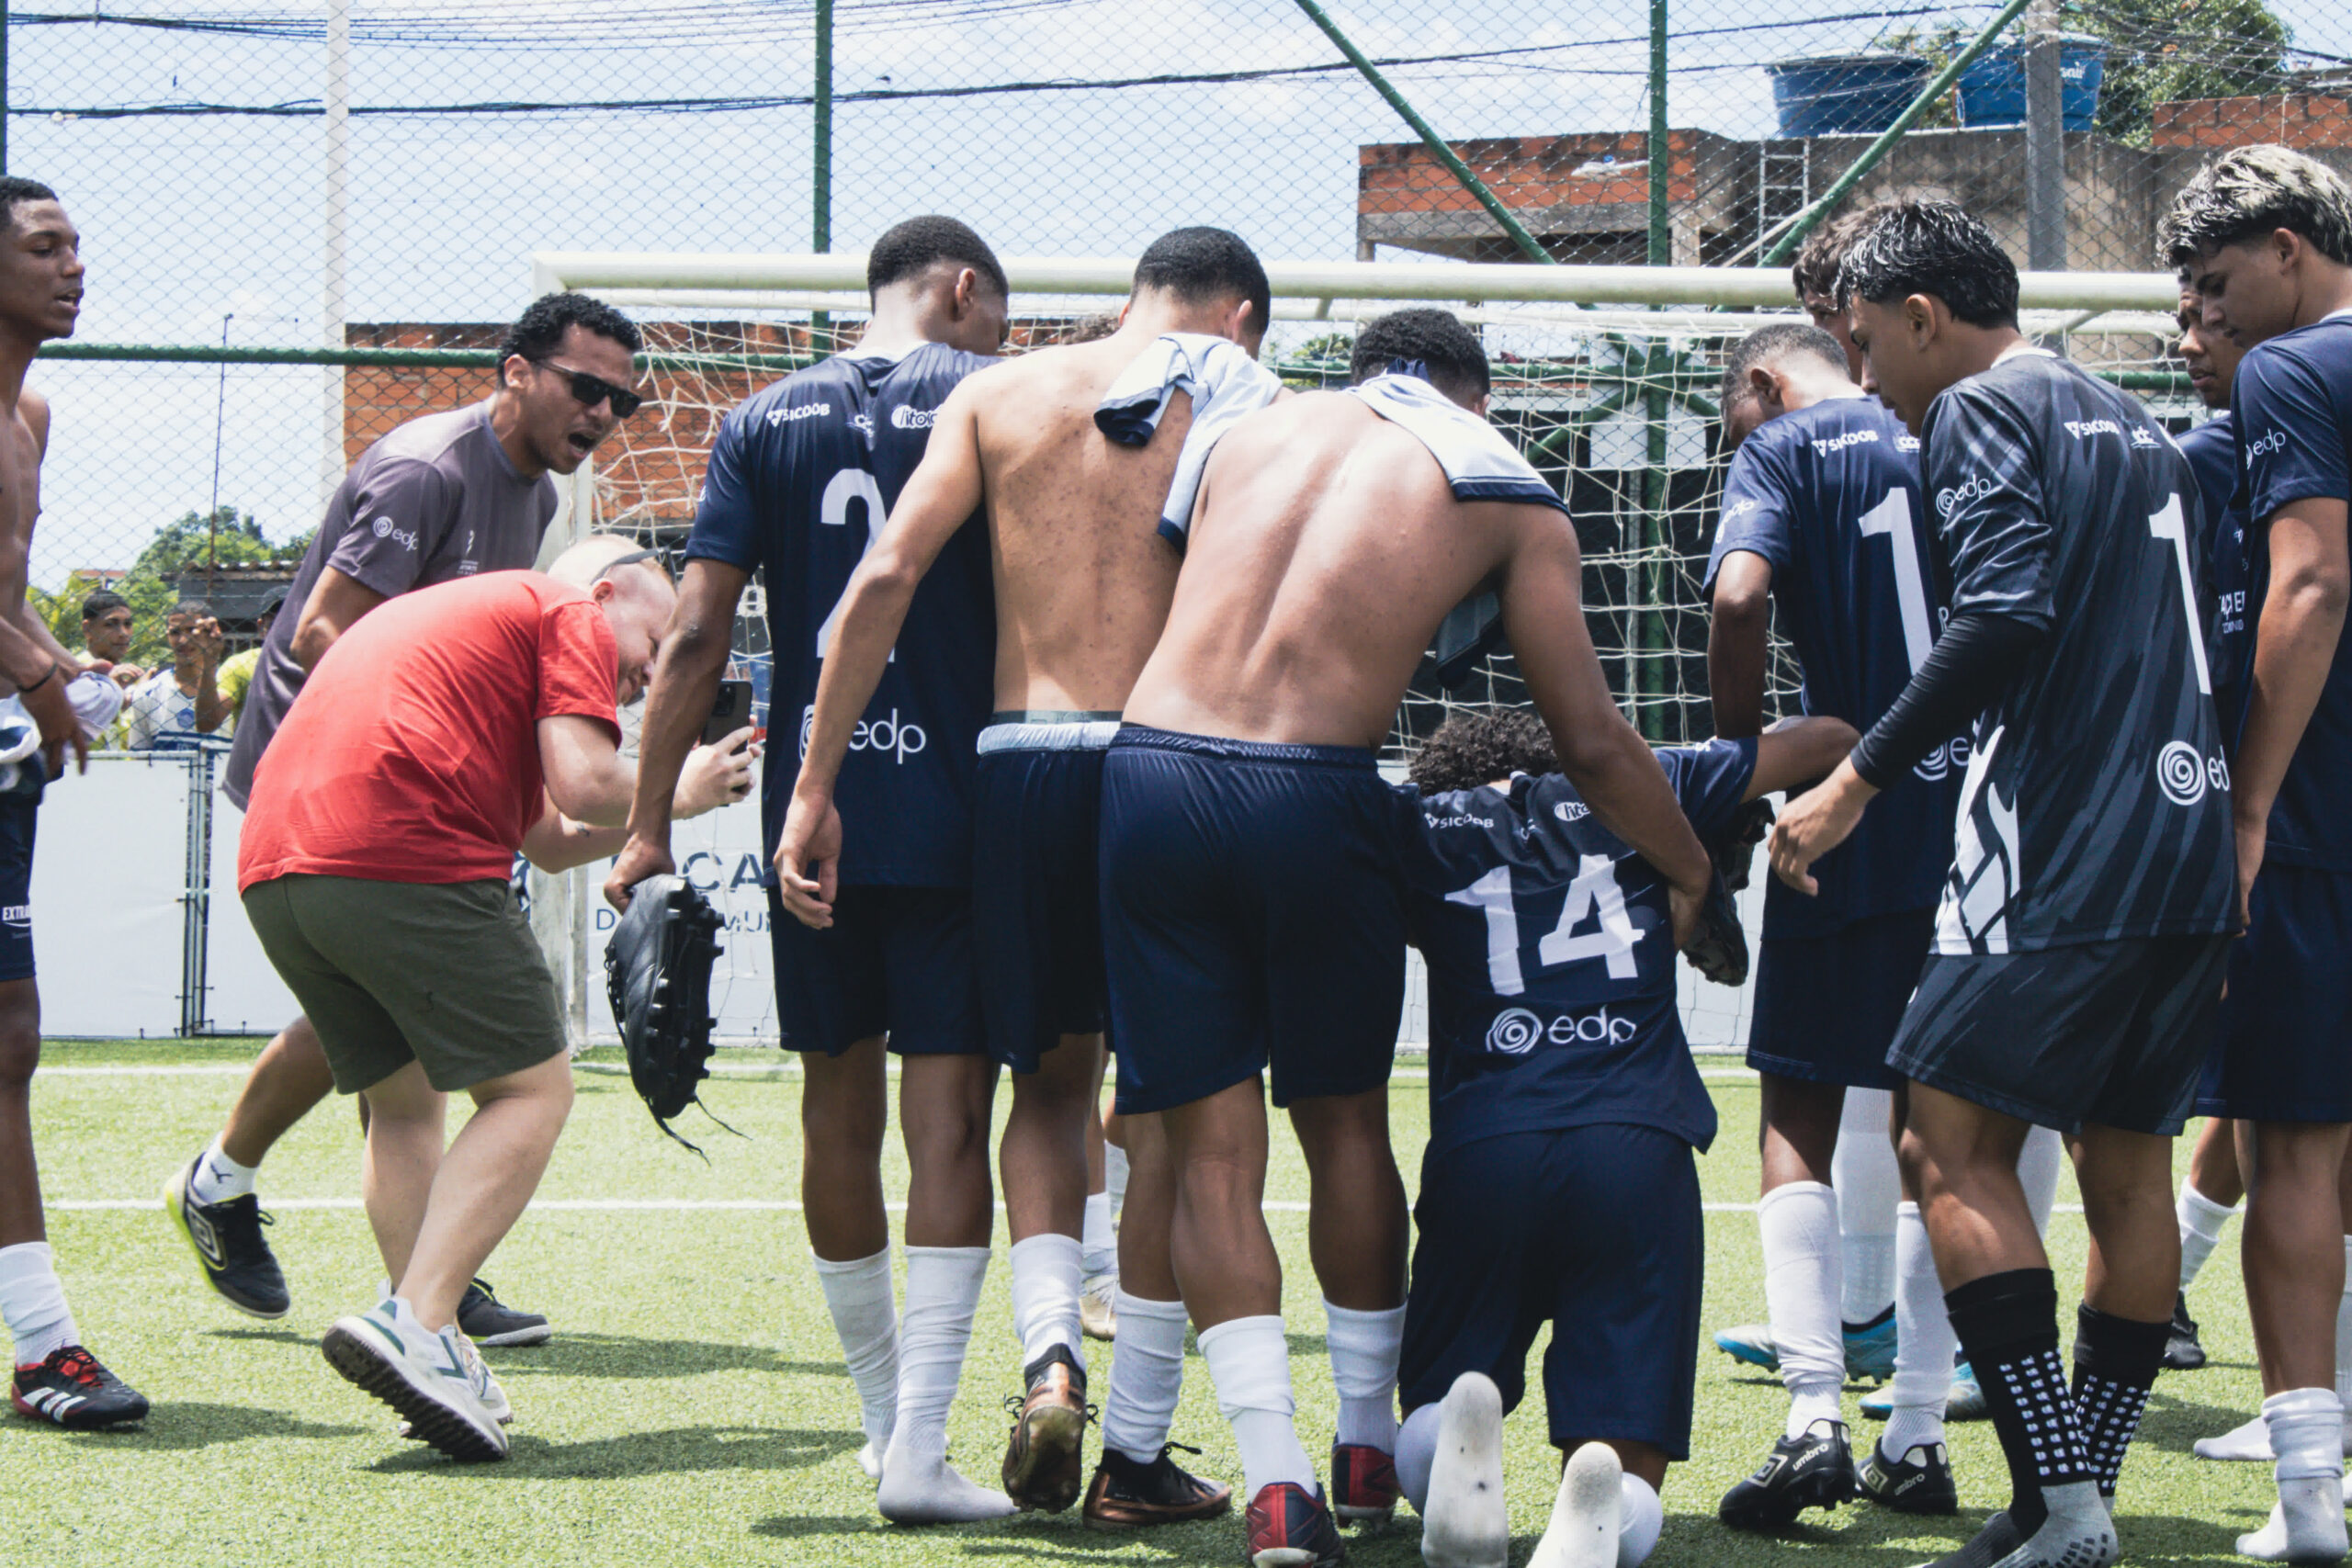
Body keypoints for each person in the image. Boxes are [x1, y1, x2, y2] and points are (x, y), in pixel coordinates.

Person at [1067, 309, 1713, 1565]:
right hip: (1317, 786)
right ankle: (1368, 1444)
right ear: (1478, 393)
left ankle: (1275, 1484)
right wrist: (1689, 870)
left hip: (1148, 772)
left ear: (1360, 371)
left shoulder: (1246, 431)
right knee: (1345, 1120)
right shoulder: (1503, 479)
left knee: (1208, 1151)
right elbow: (1589, 738)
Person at [769, 227, 1273, 1529]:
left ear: (1134, 295)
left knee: (1046, 1090)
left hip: (1020, 764)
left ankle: (1049, 1353)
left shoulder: (997, 392)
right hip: (1166, 759)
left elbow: (884, 576)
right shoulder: (1236, 394)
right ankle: (1137, 1449)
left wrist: (815, 784)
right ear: (1238, 316)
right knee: (1168, 1111)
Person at [1771, 199, 2234, 1568]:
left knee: (1945, 1140)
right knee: (2126, 1162)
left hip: (2066, 841)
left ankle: (2065, 1506)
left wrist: (1854, 781)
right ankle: (2065, 1500)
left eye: (1867, 344)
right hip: (2189, 836)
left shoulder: (1979, 408)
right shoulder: (2138, 421)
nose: (1864, 380)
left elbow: (2004, 612)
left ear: (1923, 318)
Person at [607, 217, 1023, 1524]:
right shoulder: (998, 399)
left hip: (811, 804)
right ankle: (923, 1444)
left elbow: (694, 638)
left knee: (834, 1105)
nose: (1002, 339)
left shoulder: (758, 419)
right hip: (962, 799)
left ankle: (879, 1421)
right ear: (962, 289)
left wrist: (647, 824)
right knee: (949, 1117)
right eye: (999, 316)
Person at [164, 290, 646, 1347]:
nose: (605, 414)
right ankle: (417, 1294)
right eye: (586, 387)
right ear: (516, 371)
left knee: (392, 1036)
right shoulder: (428, 469)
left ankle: (362, 1256)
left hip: (405, 781)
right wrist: (445, 751)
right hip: (337, 768)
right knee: (424, 1039)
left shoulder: (533, 494)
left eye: (624, 400)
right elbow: (326, 632)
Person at [239, 536, 744, 1461]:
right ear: (607, 595)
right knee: (532, 1090)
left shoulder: (475, 638)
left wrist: (670, 804)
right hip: (398, 850)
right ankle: (416, 1322)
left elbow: (549, 839)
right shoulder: (566, 610)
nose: (653, 675)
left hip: (279, 868)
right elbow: (589, 782)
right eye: (658, 642)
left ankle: (425, 1342)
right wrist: (681, 786)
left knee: (402, 1103)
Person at [1391, 707, 1856, 1568]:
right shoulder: (1649, 784)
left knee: (1431, 1405)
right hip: (1637, 1141)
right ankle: (1598, 1507)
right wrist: (1740, 822)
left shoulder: (1410, 822)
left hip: (1485, 1140)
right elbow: (1832, 738)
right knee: (1627, 1456)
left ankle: (1448, 1451)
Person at [1704, 321, 1979, 1526]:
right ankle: (1916, 1432)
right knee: (1952, 1130)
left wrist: (1739, 770)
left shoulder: (1788, 447)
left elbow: (1737, 597)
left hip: (1847, 811)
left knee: (1799, 1110)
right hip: (1985, 820)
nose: (1738, 445)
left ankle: (1813, 1413)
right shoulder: (1959, 420)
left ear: (1767, 383)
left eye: (1734, 424)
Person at [2162, 143, 2352, 1558]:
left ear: (2289, 248)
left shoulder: (2294, 370)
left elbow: (2313, 578)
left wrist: (2245, 805)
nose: (2209, 319)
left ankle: (2307, 1495)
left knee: (2293, 1145)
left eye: (2220, 284)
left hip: (2318, 820)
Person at [0, 175, 153, 1429]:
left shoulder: (30, 414)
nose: (74, 266)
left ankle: (42, 1345)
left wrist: (65, 670)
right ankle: (46, 1346)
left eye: (77, 244)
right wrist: (46, 677)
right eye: (45, 247)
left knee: (9, 1036)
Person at [120, 597, 229, 751]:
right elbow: (139, 757)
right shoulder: (147, 693)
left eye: (192, 630)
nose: (183, 640)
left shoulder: (230, 687)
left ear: (210, 633)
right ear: (167, 636)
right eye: (175, 632)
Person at [214, 588, 284, 721]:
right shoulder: (240, 665)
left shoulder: (316, 664)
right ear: (261, 627)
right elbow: (208, 721)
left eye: (290, 623)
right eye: (274, 624)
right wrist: (209, 660)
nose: (283, 631)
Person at [79, 589, 143, 689]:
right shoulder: (75, 672)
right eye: (111, 624)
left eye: (128, 624)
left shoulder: (131, 675)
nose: (123, 633)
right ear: (87, 629)